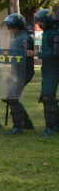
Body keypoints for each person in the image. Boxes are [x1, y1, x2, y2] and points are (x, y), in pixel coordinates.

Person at [1, 13, 35, 135]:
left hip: (25, 72)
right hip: (17, 72)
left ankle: (17, 126)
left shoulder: (25, 38)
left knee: (12, 97)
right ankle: (28, 124)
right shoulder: (15, 38)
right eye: (9, 28)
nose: (10, 30)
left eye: (13, 27)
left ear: (19, 27)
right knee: (12, 97)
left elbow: (27, 51)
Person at [35, 9, 59, 137]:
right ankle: (55, 125)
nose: (39, 23)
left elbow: (55, 54)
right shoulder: (46, 33)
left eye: (42, 21)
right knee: (49, 98)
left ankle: (50, 128)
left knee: (47, 97)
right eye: (38, 21)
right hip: (47, 70)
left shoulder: (55, 34)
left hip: (54, 69)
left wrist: (37, 54)